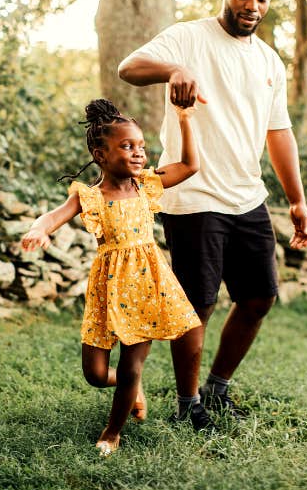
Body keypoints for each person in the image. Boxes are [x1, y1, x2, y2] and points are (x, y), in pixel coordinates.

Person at [116, 0, 307, 429]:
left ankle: (217, 387)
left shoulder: (269, 60)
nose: (252, 6)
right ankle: (189, 405)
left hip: (248, 196)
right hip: (192, 194)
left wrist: (296, 199)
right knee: (197, 305)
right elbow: (130, 68)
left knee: (259, 297)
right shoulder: (187, 38)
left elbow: (278, 132)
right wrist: (174, 70)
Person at [21, 99, 202, 456]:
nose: (138, 154)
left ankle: (112, 432)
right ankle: (130, 387)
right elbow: (52, 217)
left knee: (132, 365)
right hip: (108, 289)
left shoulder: (146, 185)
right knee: (95, 373)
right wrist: (38, 230)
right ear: (99, 154)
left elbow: (190, 165)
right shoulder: (90, 197)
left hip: (148, 285)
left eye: (141, 147)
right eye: (127, 146)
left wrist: (184, 120)